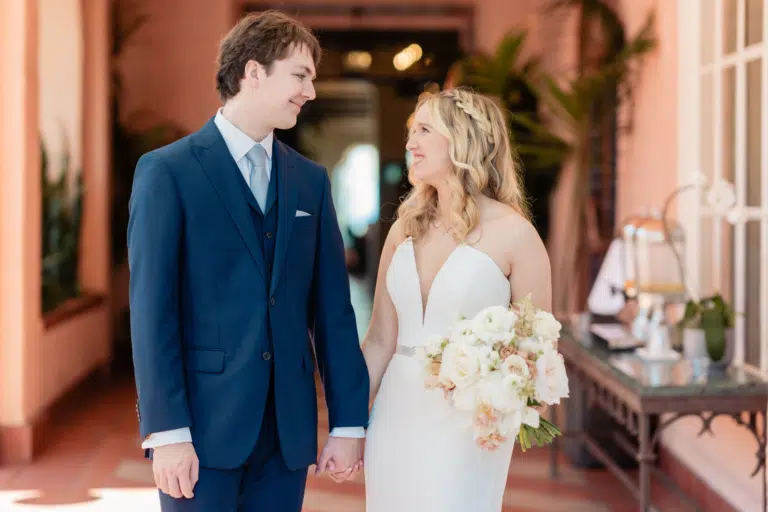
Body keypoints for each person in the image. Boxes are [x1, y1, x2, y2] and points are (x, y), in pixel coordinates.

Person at [127, 10, 369, 512]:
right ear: (253, 72)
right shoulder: (166, 172)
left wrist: (348, 424)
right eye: (300, 75)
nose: (311, 91)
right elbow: (153, 312)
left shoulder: (310, 182)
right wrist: (167, 432)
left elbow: (333, 312)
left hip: (286, 438)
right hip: (199, 432)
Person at [361, 87, 552, 511]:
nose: (410, 142)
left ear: (462, 138)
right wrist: (349, 423)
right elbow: (378, 339)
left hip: (468, 422)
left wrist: (501, 394)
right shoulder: (403, 229)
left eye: (424, 130)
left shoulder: (516, 235)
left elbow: (535, 347)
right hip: (397, 411)